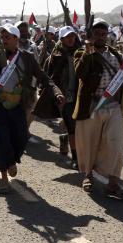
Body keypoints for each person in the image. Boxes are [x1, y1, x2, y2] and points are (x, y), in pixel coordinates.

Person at [0, 24, 64, 193]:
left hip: (19, 105)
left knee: (21, 138)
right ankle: (4, 177)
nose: (3, 40)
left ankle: (12, 160)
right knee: (2, 141)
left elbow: (42, 76)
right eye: (2, 37)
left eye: (7, 37)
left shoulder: (26, 57)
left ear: (16, 39)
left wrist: (56, 92)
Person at [73, 18, 123, 199]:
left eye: (103, 34)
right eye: (97, 34)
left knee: (115, 144)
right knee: (89, 144)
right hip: (91, 106)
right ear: (90, 35)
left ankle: (113, 183)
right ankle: (87, 176)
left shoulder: (116, 55)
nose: (100, 37)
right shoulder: (82, 53)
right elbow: (80, 73)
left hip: (113, 106)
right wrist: (88, 51)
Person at [40, 26, 80, 168]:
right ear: (62, 39)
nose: (71, 39)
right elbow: (47, 77)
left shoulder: (81, 53)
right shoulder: (54, 57)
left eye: (73, 36)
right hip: (64, 97)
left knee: (81, 127)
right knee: (72, 127)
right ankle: (75, 158)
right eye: (67, 37)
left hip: (81, 95)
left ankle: (65, 139)